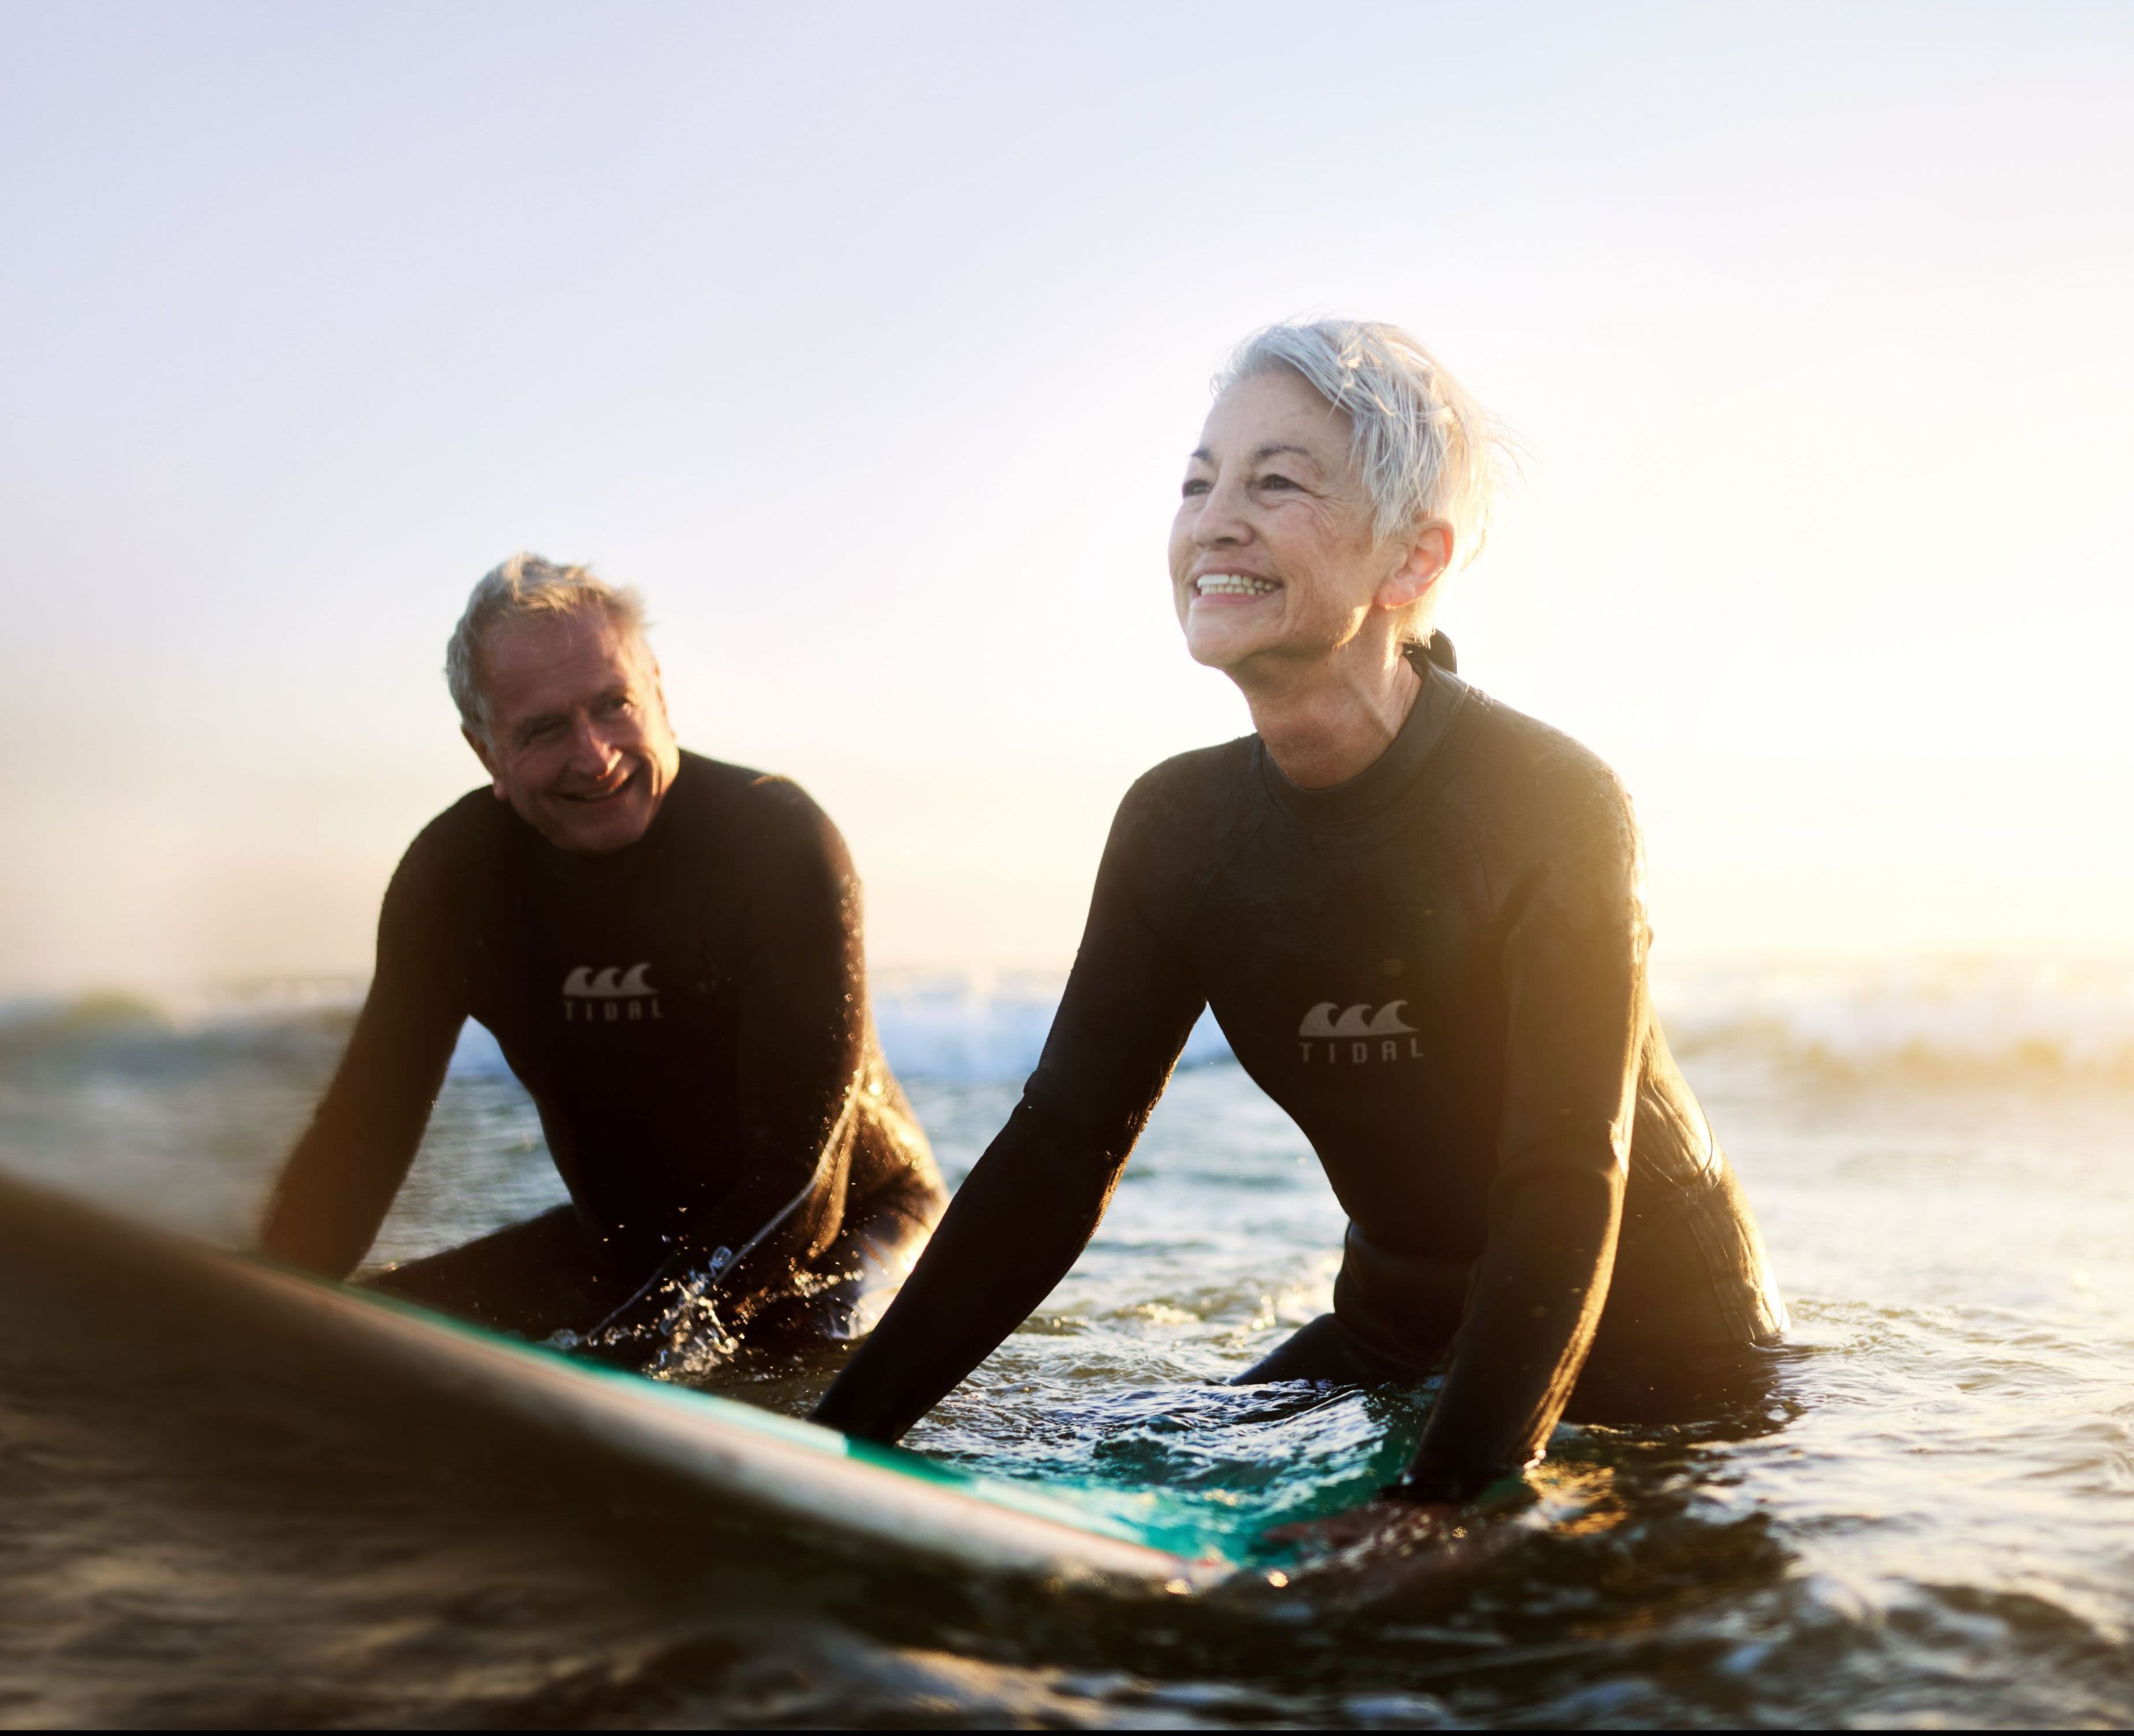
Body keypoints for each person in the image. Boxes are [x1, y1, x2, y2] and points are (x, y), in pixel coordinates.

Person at [812, 321, 1785, 1515]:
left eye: (1276, 482)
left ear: (1412, 564)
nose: (1216, 518)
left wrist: (1444, 1509)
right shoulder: (1180, 829)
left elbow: (1561, 1180)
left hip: (1664, 1364)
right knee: (1077, 1450)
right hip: (1389, 1346)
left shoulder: (1547, 804)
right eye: (1198, 481)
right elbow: (1057, 1159)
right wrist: (840, 1439)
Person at [259, 555, 944, 1365]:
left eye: (614, 706)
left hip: (854, 1229)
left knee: (785, 1346)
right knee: (349, 1331)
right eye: (545, 729)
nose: (595, 755)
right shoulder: (455, 882)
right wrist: (256, 1309)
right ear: (486, 753)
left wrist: (630, 1352)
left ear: (659, 692)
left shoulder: (776, 846)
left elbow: (801, 1183)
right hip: (624, 1252)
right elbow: (362, 1138)